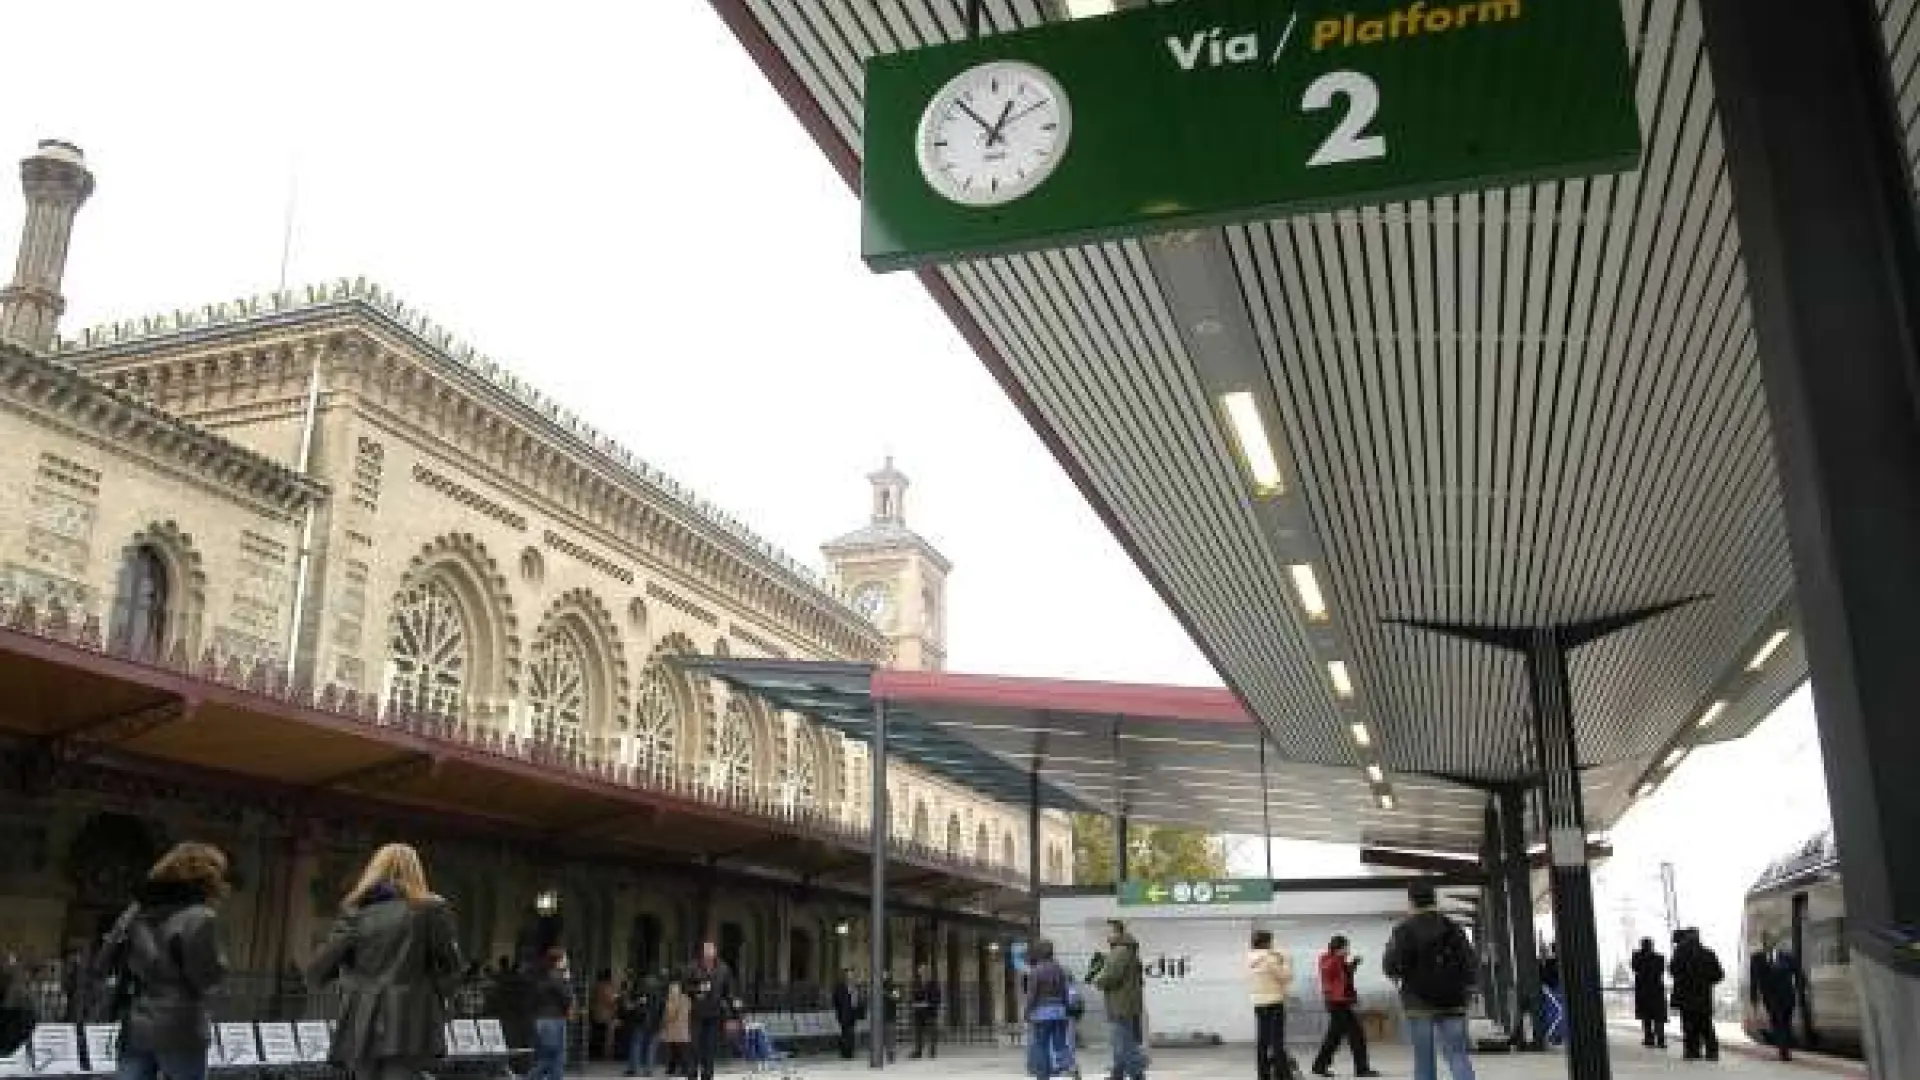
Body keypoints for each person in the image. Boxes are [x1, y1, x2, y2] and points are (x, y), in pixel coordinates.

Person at [307, 843, 462, 1080]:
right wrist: (437, 997)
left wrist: (346, 977)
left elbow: (319, 968)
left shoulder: (355, 910)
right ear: (415, 871)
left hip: (361, 1016)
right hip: (411, 1017)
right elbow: (451, 965)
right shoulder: (430, 909)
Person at [94, 842, 229, 1080]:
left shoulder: (136, 911)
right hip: (181, 1027)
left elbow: (103, 960)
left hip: (136, 1025)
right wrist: (221, 966)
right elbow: (205, 978)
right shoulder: (199, 917)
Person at [1383, 881, 1477, 1080]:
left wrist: (1397, 973)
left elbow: (1392, 965)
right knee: (1458, 1056)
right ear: (1434, 899)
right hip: (1453, 999)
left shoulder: (1404, 930)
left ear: (1411, 901)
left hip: (1418, 1002)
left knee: (1424, 1060)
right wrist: (1467, 990)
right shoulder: (1453, 928)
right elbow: (1469, 962)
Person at [1310, 935, 1376, 1078]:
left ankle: (1319, 1065)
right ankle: (1361, 1069)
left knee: (1334, 1037)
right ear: (1339, 948)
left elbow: (1344, 977)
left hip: (1341, 1002)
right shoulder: (1329, 960)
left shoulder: (1338, 961)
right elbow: (1329, 972)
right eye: (1346, 947)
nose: (1348, 950)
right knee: (1356, 1035)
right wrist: (1338, 958)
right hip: (1336, 1003)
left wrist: (1353, 964)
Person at [1092, 919, 1148, 1080]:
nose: (1106, 936)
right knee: (1121, 1040)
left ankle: (1137, 1072)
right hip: (1127, 1003)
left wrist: (1097, 980)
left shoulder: (1120, 951)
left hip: (1120, 1004)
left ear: (1117, 932)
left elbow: (1111, 975)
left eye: (1108, 932)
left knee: (1123, 1041)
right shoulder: (1129, 950)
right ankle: (1118, 1073)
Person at [681, 942, 738, 1080]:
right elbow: (684, 987)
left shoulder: (723, 969)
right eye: (706, 953)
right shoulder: (693, 967)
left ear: (715, 953)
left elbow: (729, 994)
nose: (708, 956)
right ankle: (692, 1075)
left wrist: (733, 1017)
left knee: (710, 1049)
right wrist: (698, 989)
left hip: (715, 1015)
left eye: (711, 953)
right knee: (693, 1047)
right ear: (702, 953)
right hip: (697, 1014)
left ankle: (707, 1076)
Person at [1669, 927, 1723, 1062]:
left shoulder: (1679, 954)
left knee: (1688, 1024)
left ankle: (1692, 1051)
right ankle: (1712, 1051)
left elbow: (1673, 971)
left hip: (1685, 995)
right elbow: (1718, 975)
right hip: (1703, 995)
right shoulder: (1709, 954)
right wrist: (1706, 981)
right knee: (1705, 1023)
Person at [1246, 930, 1292, 1080]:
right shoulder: (1270, 959)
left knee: (1262, 1041)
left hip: (1258, 1003)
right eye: (1271, 941)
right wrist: (1285, 961)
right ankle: (1284, 1075)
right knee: (1277, 1042)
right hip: (1274, 1002)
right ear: (1267, 942)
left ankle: (1263, 1075)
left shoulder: (1249, 959)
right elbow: (1286, 977)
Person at [1024, 940, 1073, 1080]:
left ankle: (1043, 1075)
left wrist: (1027, 1011)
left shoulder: (1036, 971)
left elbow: (1032, 994)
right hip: (1059, 1012)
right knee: (1061, 1044)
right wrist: (1067, 1009)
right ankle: (1072, 1069)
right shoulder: (1060, 969)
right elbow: (1064, 992)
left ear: (1039, 953)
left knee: (1041, 1045)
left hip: (1042, 1013)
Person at [1750, 936, 1803, 1061]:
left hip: (1788, 995)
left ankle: (1784, 1049)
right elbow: (1754, 980)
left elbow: (1799, 974)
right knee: (1777, 1021)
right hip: (1770, 997)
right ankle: (1783, 1050)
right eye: (1766, 941)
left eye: (1770, 941)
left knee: (1785, 1022)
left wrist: (1800, 993)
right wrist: (1754, 1000)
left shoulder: (1788, 957)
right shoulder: (1756, 958)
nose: (1768, 944)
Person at [527, 948, 574, 1080]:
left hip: (542, 1019)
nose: (567, 961)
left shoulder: (542, 976)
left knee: (552, 1057)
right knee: (552, 1057)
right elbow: (568, 997)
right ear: (558, 961)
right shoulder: (557, 977)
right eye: (565, 959)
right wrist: (567, 981)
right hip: (554, 1020)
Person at [622, 967, 665, 1077]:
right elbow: (663, 1007)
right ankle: (648, 1070)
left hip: (641, 1020)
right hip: (656, 1021)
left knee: (636, 1044)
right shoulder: (660, 990)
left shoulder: (640, 989)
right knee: (651, 1046)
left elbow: (630, 1005)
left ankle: (634, 1069)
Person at [1631, 937, 1668, 1050]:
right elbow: (1661, 970)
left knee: (1646, 1017)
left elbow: (1635, 968)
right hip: (1657, 990)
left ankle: (1649, 1038)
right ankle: (1660, 1039)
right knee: (1658, 1017)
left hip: (1643, 991)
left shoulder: (1637, 957)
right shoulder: (1659, 958)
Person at [909, 963, 941, 1059]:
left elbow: (937, 998)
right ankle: (918, 1051)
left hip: (930, 1012)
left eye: (923, 970)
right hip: (919, 1012)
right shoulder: (916, 983)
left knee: (932, 1032)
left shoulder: (933, 984)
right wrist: (913, 1003)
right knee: (918, 1033)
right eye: (920, 970)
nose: (921, 972)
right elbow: (913, 996)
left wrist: (928, 1004)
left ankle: (932, 1052)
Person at [660, 979, 691, 1077]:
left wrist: (665, 1019)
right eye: (671, 988)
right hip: (677, 1028)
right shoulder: (685, 999)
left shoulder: (675, 1000)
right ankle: (674, 1068)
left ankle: (681, 1069)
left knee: (679, 1049)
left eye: (673, 988)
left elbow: (670, 1014)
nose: (672, 990)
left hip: (678, 1028)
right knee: (675, 1049)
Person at [830, 969, 861, 1060]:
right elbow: (836, 999)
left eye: (852, 975)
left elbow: (858, 1000)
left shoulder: (855, 987)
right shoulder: (840, 987)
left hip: (853, 1013)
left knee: (851, 1033)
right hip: (843, 1013)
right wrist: (839, 1009)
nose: (851, 977)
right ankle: (845, 1051)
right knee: (845, 1032)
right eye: (849, 975)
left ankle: (850, 1051)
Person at [590, 968, 618, 1060]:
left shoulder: (597, 986)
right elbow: (610, 1000)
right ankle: (608, 1053)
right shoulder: (607, 987)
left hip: (596, 1013)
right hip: (605, 1015)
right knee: (612, 1028)